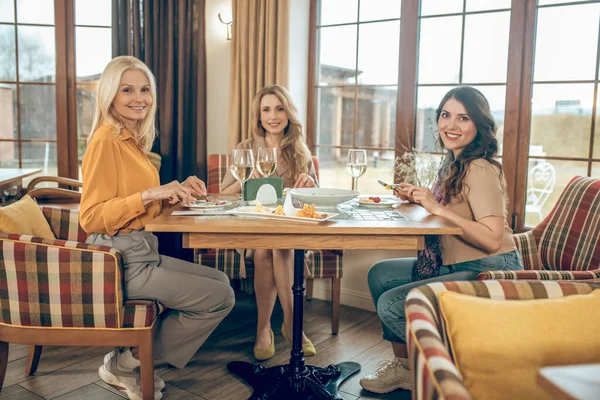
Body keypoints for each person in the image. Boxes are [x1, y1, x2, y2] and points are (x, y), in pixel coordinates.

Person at [80, 56, 235, 400]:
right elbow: (90, 217)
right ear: (111, 96)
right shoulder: (105, 141)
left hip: (141, 250)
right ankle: (130, 361)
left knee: (221, 281)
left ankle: (128, 359)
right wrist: (150, 192)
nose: (140, 98)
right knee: (221, 297)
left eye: (145, 89)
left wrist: (174, 193)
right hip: (119, 261)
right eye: (128, 89)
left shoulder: (130, 140)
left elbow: (136, 204)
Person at [359, 86, 524, 394]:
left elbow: (491, 239)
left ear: (479, 125)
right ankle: (405, 369)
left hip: (489, 268)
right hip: (454, 261)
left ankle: (450, 370)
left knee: (393, 305)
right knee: (380, 274)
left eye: (463, 118)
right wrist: (420, 198)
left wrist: (436, 207)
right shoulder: (452, 163)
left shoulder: (480, 168)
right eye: (446, 115)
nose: (451, 125)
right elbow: (449, 214)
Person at [221, 85, 318, 360]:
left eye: (279, 108)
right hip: (255, 228)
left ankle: (277, 326)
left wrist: (309, 183)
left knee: (278, 247)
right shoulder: (246, 149)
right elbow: (223, 193)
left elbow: (314, 196)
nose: (273, 116)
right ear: (259, 116)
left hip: (291, 231)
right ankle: (282, 326)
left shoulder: (300, 151)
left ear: (288, 114)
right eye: (266, 109)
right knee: (264, 248)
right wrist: (247, 181)